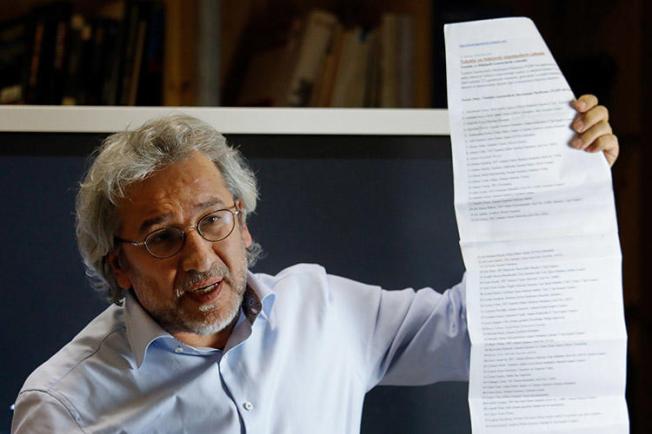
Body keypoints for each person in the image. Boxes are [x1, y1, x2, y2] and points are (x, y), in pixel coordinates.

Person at [11, 95, 619, 433]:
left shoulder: (322, 309)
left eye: (212, 220)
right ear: (118, 266)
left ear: (243, 222)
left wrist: (560, 186)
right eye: (163, 239)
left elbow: (480, 331)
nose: (200, 257)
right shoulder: (62, 406)